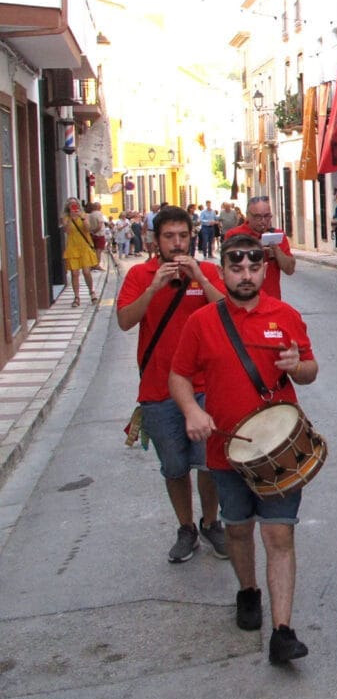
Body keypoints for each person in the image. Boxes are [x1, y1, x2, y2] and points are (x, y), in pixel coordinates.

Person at [169, 233, 319, 664]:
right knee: (237, 529)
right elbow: (179, 376)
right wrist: (191, 412)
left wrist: (297, 366)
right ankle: (248, 591)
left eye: (254, 268)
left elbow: (310, 370)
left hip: (280, 450)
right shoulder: (203, 322)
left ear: (264, 269)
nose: (246, 276)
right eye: (237, 268)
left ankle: (283, 631)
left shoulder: (286, 315)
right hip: (226, 450)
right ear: (222, 271)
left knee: (278, 533)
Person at [117, 205, 229, 564]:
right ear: (155, 240)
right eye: (169, 237)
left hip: (205, 386)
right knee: (174, 467)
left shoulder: (206, 271)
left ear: (192, 237)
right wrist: (153, 288)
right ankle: (186, 528)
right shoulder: (140, 275)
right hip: (158, 389)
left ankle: (210, 522)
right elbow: (124, 321)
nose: (177, 243)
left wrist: (202, 280)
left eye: (183, 236)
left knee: (209, 463)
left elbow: (232, 314)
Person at [224, 196, 295, 299]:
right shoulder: (233, 235)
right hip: (242, 299)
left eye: (267, 216)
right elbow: (228, 269)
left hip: (271, 299)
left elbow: (290, 270)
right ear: (248, 215)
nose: (263, 221)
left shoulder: (277, 235)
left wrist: (276, 249)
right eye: (257, 217)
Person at [60, 198, 98, 306]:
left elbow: (88, 229)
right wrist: (71, 218)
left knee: (86, 272)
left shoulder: (84, 215)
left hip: (84, 247)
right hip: (72, 247)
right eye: (71, 204)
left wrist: (82, 218)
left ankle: (91, 291)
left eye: (75, 204)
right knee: (74, 273)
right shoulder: (66, 217)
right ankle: (76, 297)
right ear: (68, 206)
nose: (73, 206)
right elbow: (66, 231)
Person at [86, 201, 108, 270]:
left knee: (93, 251)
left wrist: (92, 232)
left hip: (92, 235)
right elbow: (100, 224)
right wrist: (95, 231)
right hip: (99, 234)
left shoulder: (90, 215)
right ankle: (96, 265)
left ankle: (92, 264)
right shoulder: (99, 214)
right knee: (98, 251)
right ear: (98, 207)